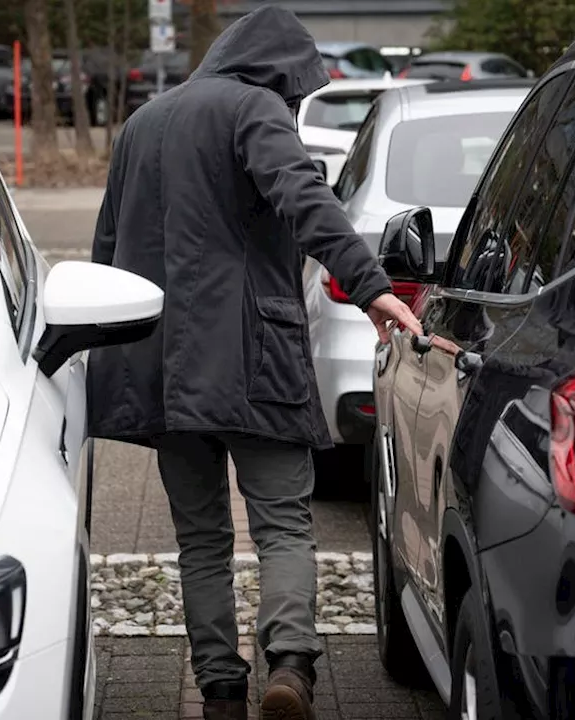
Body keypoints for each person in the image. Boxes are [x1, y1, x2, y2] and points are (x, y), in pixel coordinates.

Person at [87, 6, 422, 720]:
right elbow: (305, 198)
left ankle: (218, 692)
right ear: (280, 74)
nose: (294, 106)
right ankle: (291, 669)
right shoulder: (253, 109)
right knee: (282, 524)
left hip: (160, 365)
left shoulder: (141, 124)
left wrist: (100, 352)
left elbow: (106, 250)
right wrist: (372, 290)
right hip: (253, 356)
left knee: (199, 539)